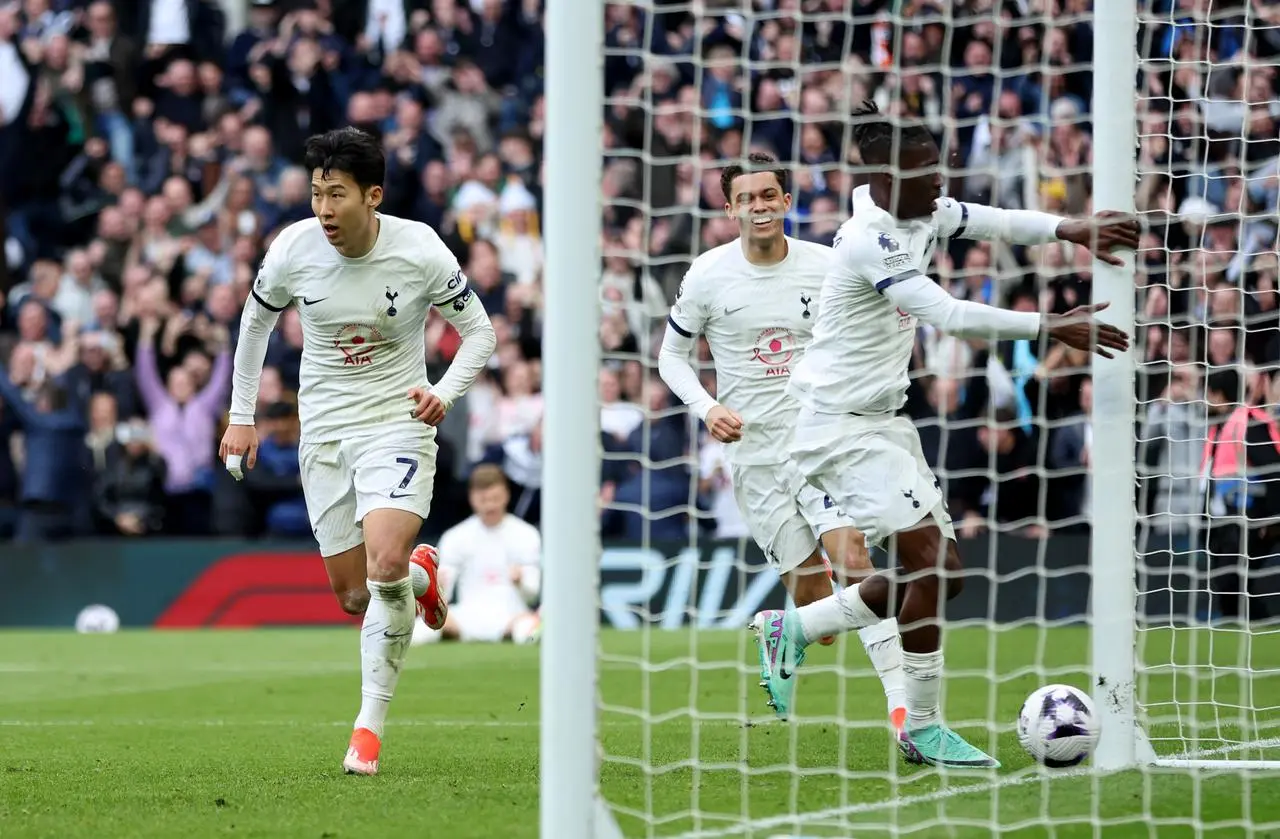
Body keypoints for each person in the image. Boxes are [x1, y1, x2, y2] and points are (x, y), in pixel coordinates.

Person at [752, 101, 1138, 768]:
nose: (941, 178)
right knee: (930, 561)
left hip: (883, 420)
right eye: (927, 170)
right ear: (886, 176)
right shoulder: (868, 239)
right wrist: (1051, 326)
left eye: (938, 165)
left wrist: (1069, 228)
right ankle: (922, 726)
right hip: (835, 425)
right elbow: (947, 313)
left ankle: (796, 627)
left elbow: (993, 221)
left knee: (941, 574)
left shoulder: (918, 205)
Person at [219, 127, 497, 776]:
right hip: (324, 431)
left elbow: (479, 332)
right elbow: (255, 321)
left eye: (335, 194)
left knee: (384, 560)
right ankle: (425, 576)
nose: (323, 209)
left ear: (372, 196)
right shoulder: (292, 248)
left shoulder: (421, 250)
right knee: (355, 594)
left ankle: (367, 728)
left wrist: (444, 392)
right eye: (316, 192)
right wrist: (241, 417)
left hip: (396, 422)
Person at [658, 151, 906, 732]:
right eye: (746, 199)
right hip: (754, 456)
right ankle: (786, 630)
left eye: (769, 196)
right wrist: (707, 405)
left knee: (854, 561)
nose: (759, 207)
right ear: (729, 209)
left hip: (822, 441)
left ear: (787, 202)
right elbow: (670, 356)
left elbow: (878, 320)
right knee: (817, 604)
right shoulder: (707, 274)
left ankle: (904, 712)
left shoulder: (827, 266)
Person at [412, 464, 542, 646]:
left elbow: (532, 594)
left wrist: (520, 580)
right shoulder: (455, 536)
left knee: (528, 631)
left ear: (506, 494)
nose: (490, 505)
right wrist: (438, 584)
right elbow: (443, 597)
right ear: (472, 498)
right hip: (466, 616)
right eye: (483, 499)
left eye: (495, 498)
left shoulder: (526, 534)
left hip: (511, 616)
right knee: (420, 630)